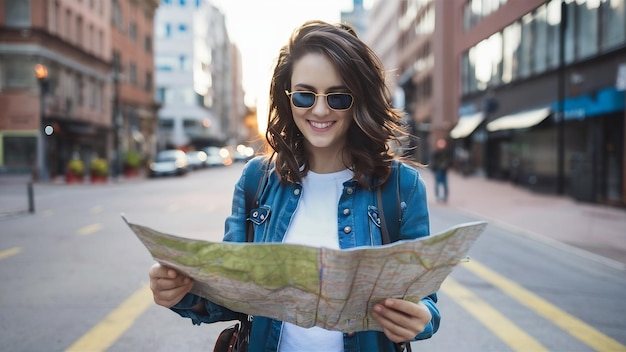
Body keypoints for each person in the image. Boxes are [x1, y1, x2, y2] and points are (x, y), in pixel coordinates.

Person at [149, 20, 440, 352]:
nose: (319, 109)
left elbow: (426, 303)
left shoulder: (401, 186)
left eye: (338, 97)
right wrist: (183, 293)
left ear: (359, 100)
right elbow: (232, 298)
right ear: (287, 97)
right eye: (305, 95)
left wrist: (420, 317)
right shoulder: (256, 181)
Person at [431, 138, 450, 203]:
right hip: (438, 170)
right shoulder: (436, 152)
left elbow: (449, 160)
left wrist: (447, 166)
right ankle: (438, 196)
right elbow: (433, 161)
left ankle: (445, 197)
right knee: (437, 184)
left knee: (445, 184)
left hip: (444, 170)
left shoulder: (446, 152)